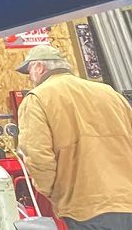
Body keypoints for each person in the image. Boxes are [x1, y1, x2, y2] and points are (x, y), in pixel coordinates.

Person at [16, 43, 132, 229]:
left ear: (39, 67)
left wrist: (57, 194)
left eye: (29, 70)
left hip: (85, 207)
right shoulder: (109, 93)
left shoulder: (37, 98)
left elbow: (38, 157)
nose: (30, 77)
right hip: (127, 201)